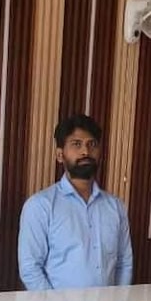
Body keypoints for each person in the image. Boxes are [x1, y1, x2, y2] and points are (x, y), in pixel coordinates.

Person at [18, 114, 133, 291]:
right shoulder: (40, 206)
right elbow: (30, 269)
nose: (85, 152)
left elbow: (124, 263)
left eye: (92, 144)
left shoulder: (115, 207)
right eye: (76, 144)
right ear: (60, 155)